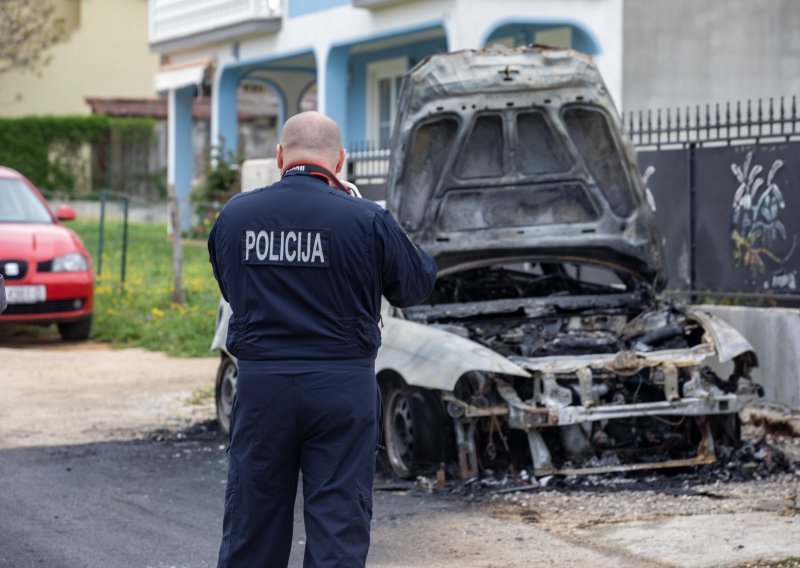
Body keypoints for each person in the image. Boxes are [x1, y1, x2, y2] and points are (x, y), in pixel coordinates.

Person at [208, 111, 438, 567]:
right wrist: (374, 218)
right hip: (341, 389)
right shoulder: (367, 219)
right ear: (341, 161)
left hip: (262, 389)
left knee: (251, 527)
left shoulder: (235, 216)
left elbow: (230, 286)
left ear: (279, 156)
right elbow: (416, 285)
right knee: (339, 530)